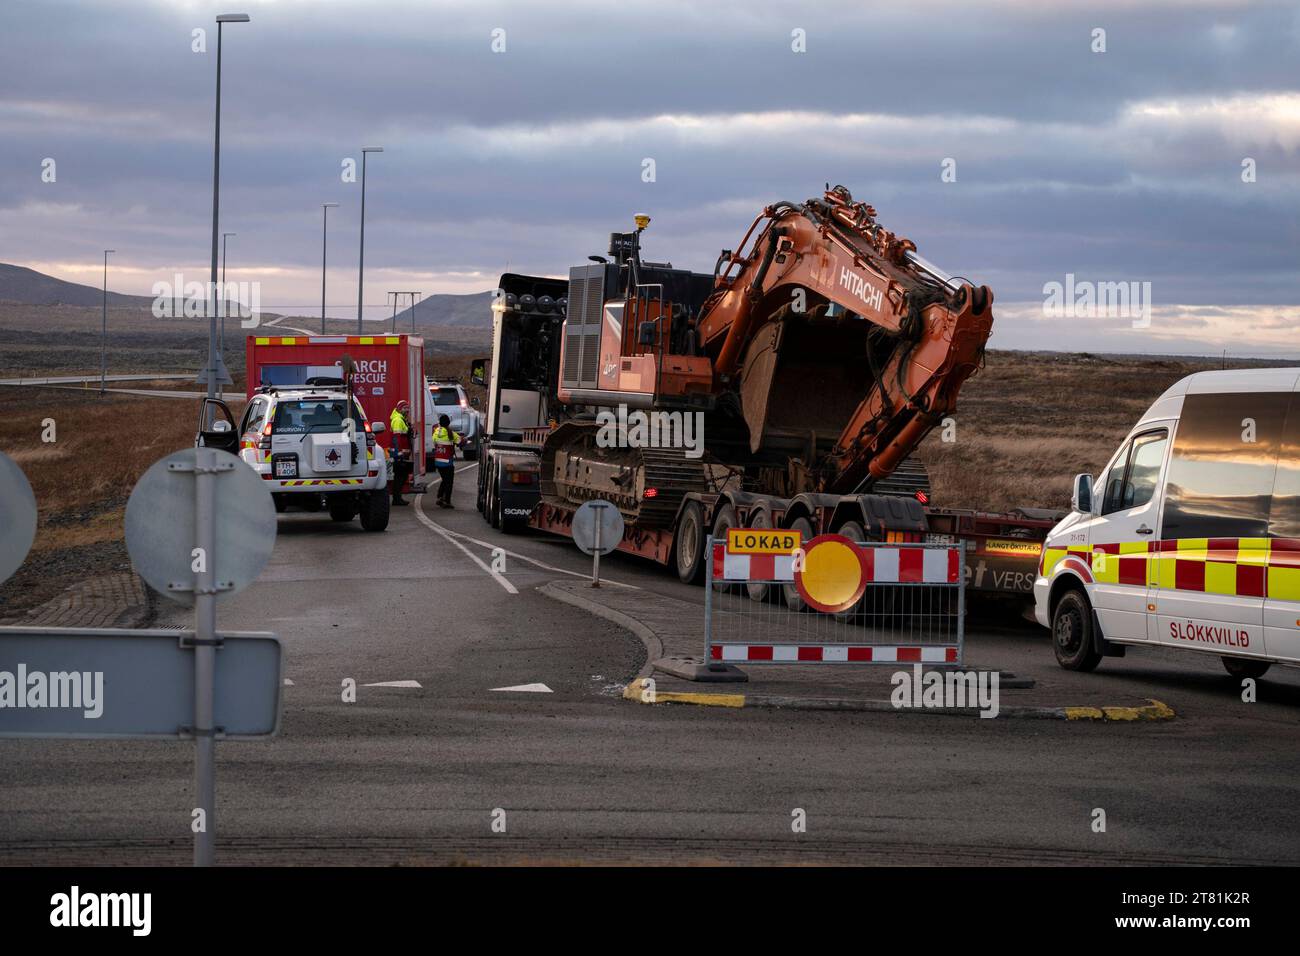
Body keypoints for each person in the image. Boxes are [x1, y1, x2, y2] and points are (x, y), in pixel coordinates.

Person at [431, 413, 462, 508]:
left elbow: (435, 441)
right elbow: (460, 441)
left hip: (438, 462)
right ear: (448, 423)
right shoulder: (450, 433)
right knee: (449, 482)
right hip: (447, 463)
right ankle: (446, 501)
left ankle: (440, 497)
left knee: (444, 480)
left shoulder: (436, 432)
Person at [388, 399, 413, 506]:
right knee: (400, 476)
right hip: (400, 454)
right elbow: (397, 438)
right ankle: (397, 499)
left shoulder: (401, 419)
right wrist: (399, 454)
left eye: (408, 409)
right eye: (405, 409)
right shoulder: (398, 420)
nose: (407, 411)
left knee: (402, 475)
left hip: (402, 453)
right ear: (399, 409)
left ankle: (398, 498)